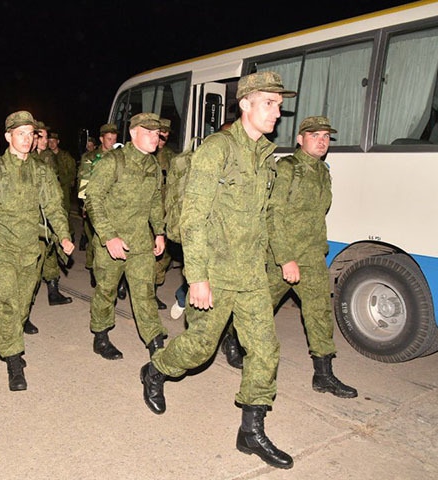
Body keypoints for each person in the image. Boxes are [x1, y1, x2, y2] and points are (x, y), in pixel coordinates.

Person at [140, 72, 297, 469]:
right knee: (199, 349)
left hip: (252, 275)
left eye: (279, 105)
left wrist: (282, 257)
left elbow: (268, 217)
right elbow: (193, 218)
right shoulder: (217, 149)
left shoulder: (265, 156)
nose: (277, 113)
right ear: (245, 104)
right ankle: (155, 370)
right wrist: (198, 277)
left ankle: (251, 430)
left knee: (265, 349)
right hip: (216, 271)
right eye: (269, 103)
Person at [221, 116, 358, 399]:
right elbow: (274, 215)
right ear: (300, 139)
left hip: (312, 256)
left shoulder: (322, 171)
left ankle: (324, 375)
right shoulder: (287, 170)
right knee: (259, 308)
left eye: (326, 137)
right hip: (284, 257)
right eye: (315, 135)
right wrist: (285, 259)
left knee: (319, 313)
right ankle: (231, 338)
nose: (322, 141)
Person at [0, 110, 75, 391]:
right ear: (7, 137)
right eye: (20, 134)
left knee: (23, 304)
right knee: (5, 301)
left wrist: (63, 236)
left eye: (31, 134)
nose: (27, 139)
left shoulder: (42, 171)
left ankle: (13, 336)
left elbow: (53, 206)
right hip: (1, 247)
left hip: (30, 248)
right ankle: (14, 360)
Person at [84, 112, 168, 361]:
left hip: (141, 241)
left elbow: (155, 201)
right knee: (106, 291)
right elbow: (93, 198)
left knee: (144, 292)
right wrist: (109, 236)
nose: (155, 138)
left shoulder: (152, 164)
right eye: (149, 132)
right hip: (113, 242)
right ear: (133, 133)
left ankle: (155, 342)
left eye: (157, 133)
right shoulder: (114, 161)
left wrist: (160, 231)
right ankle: (101, 334)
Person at [169, 120, 233, 321]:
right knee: (202, 275)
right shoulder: (204, 162)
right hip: (205, 233)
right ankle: (182, 297)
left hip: (230, 237)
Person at [77, 123, 126, 296]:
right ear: (101, 139)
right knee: (97, 242)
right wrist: (85, 205)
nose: (112, 142)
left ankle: (119, 281)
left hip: (116, 207)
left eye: (114, 139)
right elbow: (84, 182)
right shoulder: (91, 157)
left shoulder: (121, 157)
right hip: (96, 206)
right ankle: (96, 272)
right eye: (108, 139)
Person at [33, 121, 72, 307]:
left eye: (46, 137)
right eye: (41, 136)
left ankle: (53, 291)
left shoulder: (49, 157)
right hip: (31, 216)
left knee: (50, 250)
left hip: (48, 211)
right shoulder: (26, 157)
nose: (45, 140)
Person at [152, 118, 177, 309]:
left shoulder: (170, 157)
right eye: (161, 133)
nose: (163, 137)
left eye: (166, 134)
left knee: (163, 254)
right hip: (144, 213)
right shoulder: (144, 154)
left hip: (164, 212)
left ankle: (152, 290)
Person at [48, 131, 77, 221]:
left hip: (64, 188)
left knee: (65, 211)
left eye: (53, 141)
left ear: (58, 142)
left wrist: (62, 181)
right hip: (50, 189)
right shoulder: (46, 156)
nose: (51, 144)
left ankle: (69, 232)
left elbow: (73, 172)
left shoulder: (65, 156)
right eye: (49, 141)